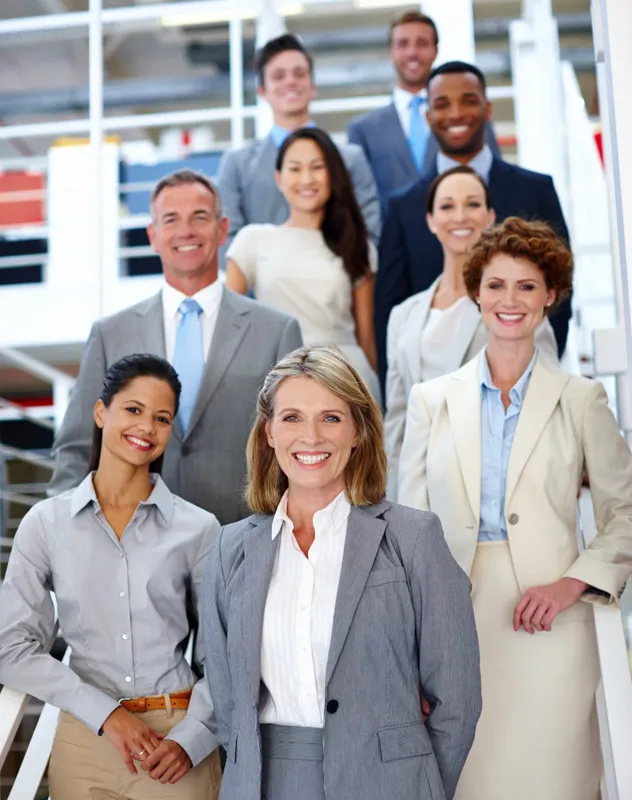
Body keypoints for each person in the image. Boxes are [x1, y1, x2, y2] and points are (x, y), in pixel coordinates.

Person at [398, 218, 632, 800]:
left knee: (556, 780)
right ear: (476, 292)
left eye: (527, 287)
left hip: (551, 626)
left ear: (550, 296)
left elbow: (625, 514)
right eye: (497, 285)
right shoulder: (432, 402)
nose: (511, 300)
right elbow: (407, 531)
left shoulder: (582, 400)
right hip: (455, 625)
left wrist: (571, 584)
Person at [203, 344, 481, 800]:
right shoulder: (229, 548)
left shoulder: (413, 538)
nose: (310, 437)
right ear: (269, 432)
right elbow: (228, 702)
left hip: (389, 785)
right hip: (265, 783)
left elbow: (459, 700)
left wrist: (420, 788)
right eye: (292, 417)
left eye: (331, 418)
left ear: (357, 433)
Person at [0, 354, 222, 799]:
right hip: (86, 739)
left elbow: (226, 655)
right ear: (102, 413)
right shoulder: (46, 523)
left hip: (175, 743)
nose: (146, 427)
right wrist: (104, 713)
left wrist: (194, 737)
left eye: (162, 418)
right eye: (133, 410)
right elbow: (10, 647)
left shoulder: (199, 528)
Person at [48, 169, 302, 523]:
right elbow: (76, 448)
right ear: (153, 235)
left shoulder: (277, 331)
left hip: (245, 539)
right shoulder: (110, 334)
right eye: (171, 219)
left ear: (222, 229)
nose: (186, 231)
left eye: (200, 217)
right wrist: (65, 533)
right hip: (131, 547)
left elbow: (295, 445)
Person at [375, 60, 572, 397]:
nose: (456, 113)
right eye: (441, 103)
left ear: (487, 108)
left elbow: (559, 296)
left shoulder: (535, 190)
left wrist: (533, 379)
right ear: (427, 116)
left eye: (468, 100)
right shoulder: (404, 205)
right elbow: (389, 306)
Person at [384, 166, 558, 497]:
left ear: (490, 215)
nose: (460, 216)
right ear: (431, 221)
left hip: (495, 486)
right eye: (447, 206)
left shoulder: (514, 305)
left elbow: (544, 399)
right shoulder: (403, 315)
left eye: (473, 204)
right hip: (419, 484)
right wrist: (393, 498)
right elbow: (397, 419)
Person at [225, 127, 380, 401]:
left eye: (317, 167)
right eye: (295, 169)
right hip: (279, 378)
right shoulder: (253, 240)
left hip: (346, 378)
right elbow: (227, 329)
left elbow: (366, 336)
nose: (306, 178)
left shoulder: (357, 245)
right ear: (279, 179)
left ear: (333, 175)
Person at [217, 33, 381, 251]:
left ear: (313, 86)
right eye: (278, 76)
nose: (290, 81)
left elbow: (370, 235)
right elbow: (227, 243)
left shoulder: (351, 160)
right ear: (262, 92)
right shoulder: (237, 165)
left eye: (299, 73)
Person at [348, 10, 499, 212]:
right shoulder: (363, 129)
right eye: (403, 44)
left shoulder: (469, 117)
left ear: (435, 50)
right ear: (391, 52)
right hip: (393, 239)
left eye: (422, 43)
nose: (412, 52)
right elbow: (359, 202)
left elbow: (495, 180)